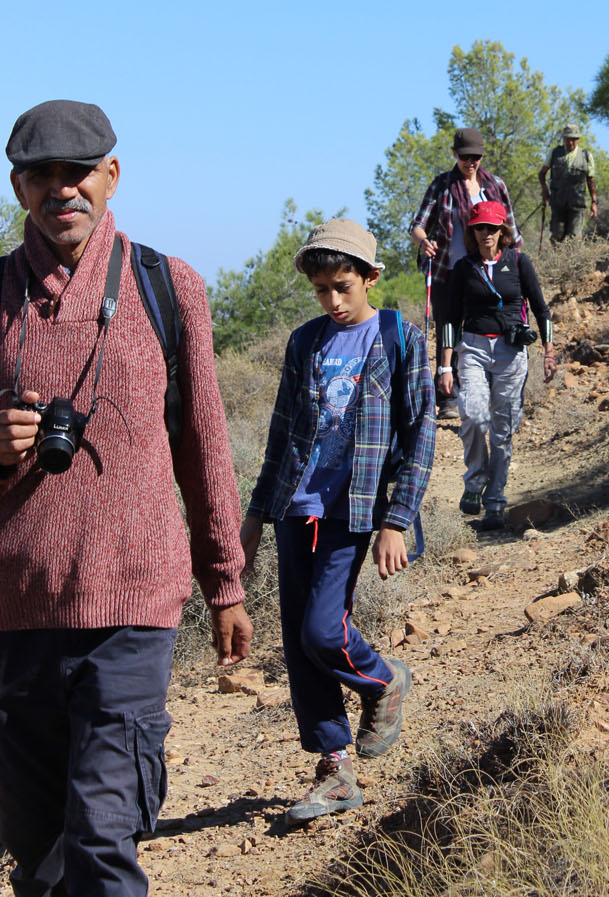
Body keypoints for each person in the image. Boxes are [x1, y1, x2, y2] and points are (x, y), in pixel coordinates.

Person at [0, 98, 251, 897]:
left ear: (111, 176)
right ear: (18, 187)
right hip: (14, 616)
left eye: (77, 172)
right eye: (42, 175)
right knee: (37, 857)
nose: (60, 189)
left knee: (104, 840)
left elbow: (204, 443)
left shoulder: (167, 285)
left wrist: (227, 583)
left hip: (131, 609)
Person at [240, 219, 436, 825]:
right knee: (301, 643)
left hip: (355, 512)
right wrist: (254, 515)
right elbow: (282, 435)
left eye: (342, 286)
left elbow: (420, 433)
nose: (332, 300)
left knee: (325, 633)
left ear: (371, 277)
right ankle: (334, 766)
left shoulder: (399, 336)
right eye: (322, 289)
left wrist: (397, 520)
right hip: (299, 509)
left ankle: (380, 681)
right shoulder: (304, 344)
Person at [439, 201, 555, 530]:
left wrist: (549, 350)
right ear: (472, 232)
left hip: (510, 351)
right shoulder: (463, 268)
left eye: (492, 228)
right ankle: (475, 483)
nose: (486, 234)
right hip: (473, 348)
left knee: (502, 431)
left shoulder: (518, 262)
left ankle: (495, 502)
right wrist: (446, 366)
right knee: (474, 416)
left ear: (502, 230)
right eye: (479, 228)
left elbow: (541, 309)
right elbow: (449, 318)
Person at [409, 128, 520, 418]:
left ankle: (489, 392)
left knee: (482, 330)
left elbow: (511, 228)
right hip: (448, 269)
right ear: (454, 155)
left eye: (476, 157)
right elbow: (417, 224)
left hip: (488, 271)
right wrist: (423, 242)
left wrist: (517, 262)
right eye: (465, 156)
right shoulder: (442, 186)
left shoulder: (495, 185)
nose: (471, 162)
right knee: (449, 326)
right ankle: (447, 397)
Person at [538, 123, 598, 242]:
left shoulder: (586, 156)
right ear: (563, 139)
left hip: (577, 203)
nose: (570, 142)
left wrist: (594, 202)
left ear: (578, 139)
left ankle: (573, 260)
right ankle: (557, 260)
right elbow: (542, 173)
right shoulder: (554, 153)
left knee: (575, 237)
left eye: (574, 139)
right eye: (568, 139)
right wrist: (545, 189)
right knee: (557, 235)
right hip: (557, 203)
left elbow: (590, 180)